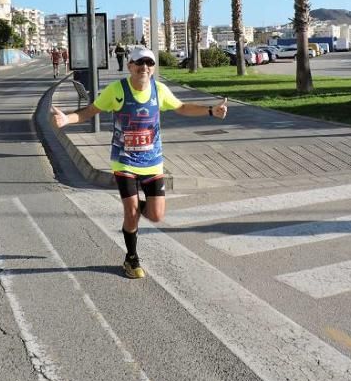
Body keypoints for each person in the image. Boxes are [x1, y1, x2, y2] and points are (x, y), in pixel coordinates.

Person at [51, 45, 228, 279]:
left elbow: (182, 107)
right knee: (131, 210)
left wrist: (210, 111)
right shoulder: (117, 90)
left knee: (156, 215)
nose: (144, 67)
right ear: (130, 66)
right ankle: (131, 258)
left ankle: (136, 212)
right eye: (140, 63)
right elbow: (90, 111)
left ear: (153, 69)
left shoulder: (160, 90)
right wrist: (68, 119)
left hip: (152, 162)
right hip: (124, 161)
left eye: (149, 63)